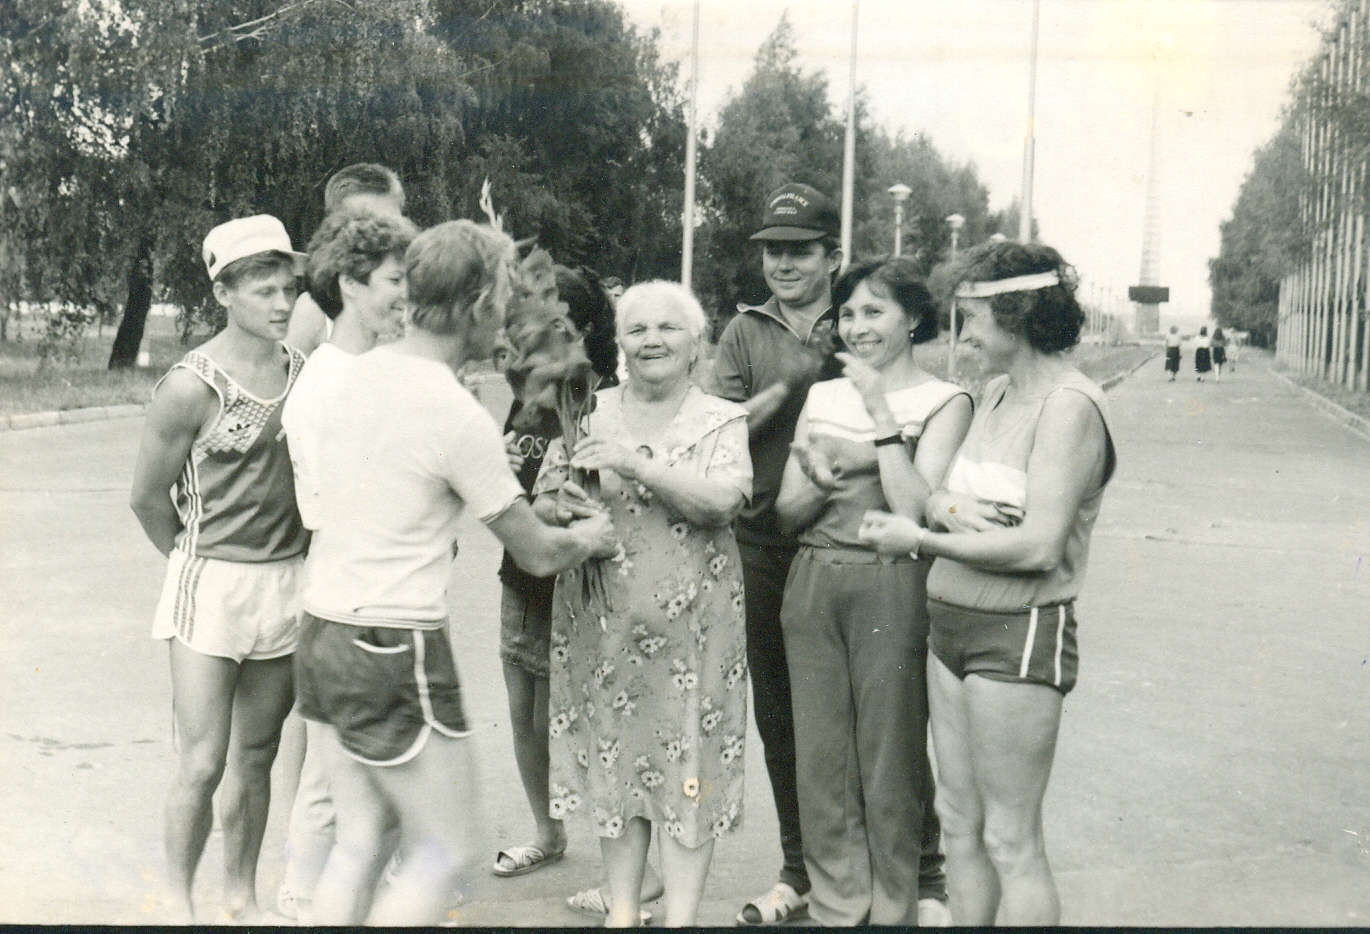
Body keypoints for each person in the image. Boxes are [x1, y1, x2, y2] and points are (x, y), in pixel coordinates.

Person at [292, 220, 618, 926]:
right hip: (394, 644)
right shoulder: (454, 412)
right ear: (476, 307)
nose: (508, 316)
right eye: (502, 299)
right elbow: (535, 550)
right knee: (440, 849)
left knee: (361, 839)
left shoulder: (353, 370)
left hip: (323, 629)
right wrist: (592, 535)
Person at [857, 240, 1116, 926]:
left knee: (1009, 838)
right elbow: (935, 494)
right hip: (951, 630)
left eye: (971, 316)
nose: (962, 333)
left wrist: (923, 537)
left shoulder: (1069, 406)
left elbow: (1037, 545)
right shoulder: (996, 393)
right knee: (958, 820)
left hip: (1019, 634)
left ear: (1018, 313)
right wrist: (942, 510)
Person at [533, 281, 753, 928]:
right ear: (621, 343)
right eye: (637, 329)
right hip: (601, 628)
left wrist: (635, 464)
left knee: (690, 764)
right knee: (613, 763)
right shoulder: (586, 412)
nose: (651, 340)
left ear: (695, 345)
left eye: (668, 329)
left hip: (694, 632)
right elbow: (543, 499)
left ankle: (680, 918)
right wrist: (563, 509)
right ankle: (623, 912)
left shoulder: (719, 419)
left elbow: (722, 503)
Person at [775, 257, 972, 926]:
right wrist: (818, 480)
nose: (857, 327)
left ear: (914, 318)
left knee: (889, 749)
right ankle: (838, 900)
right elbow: (786, 512)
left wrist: (880, 421)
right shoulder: (822, 395)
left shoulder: (946, 400)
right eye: (850, 313)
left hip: (891, 582)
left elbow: (916, 511)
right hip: (813, 575)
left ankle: (896, 901)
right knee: (821, 751)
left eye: (874, 312)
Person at [129, 215, 310, 923]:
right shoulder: (189, 384)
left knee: (257, 757)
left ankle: (241, 895)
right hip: (211, 587)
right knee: (203, 762)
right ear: (223, 293)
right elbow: (146, 499)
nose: (281, 304)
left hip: (286, 583)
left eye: (288, 289)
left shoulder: (306, 374)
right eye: (264, 290)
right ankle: (176, 899)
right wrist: (195, 557)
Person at [277, 207, 417, 922]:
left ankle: (318, 900)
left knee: (353, 782)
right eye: (396, 279)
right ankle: (306, 902)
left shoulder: (369, 373)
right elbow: (345, 508)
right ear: (354, 284)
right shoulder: (334, 382)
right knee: (342, 786)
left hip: (366, 593)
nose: (406, 294)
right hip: (357, 599)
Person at [284, 164, 407, 356]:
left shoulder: (415, 306)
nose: (380, 237)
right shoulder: (314, 311)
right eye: (364, 226)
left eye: (390, 223)